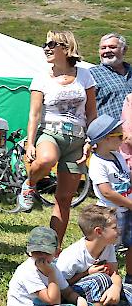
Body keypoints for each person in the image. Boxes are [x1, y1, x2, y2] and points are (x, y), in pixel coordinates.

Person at [19, 31, 97, 246]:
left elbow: (91, 113)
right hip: (51, 132)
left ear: (66, 47)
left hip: (78, 138)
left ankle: (55, 248)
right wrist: (30, 143)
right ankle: (30, 182)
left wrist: (91, 140)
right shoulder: (41, 76)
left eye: (52, 44)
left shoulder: (85, 75)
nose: (46, 48)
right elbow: (34, 114)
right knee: (46, 160)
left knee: (64, 199)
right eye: (45, 44)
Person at [7, 226, 98, 306]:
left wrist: (80, 301)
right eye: (37, 252)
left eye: (46, 253)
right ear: (29, 251)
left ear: (56, 253)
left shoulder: (53, 268)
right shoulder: (28, 270)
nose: (42, 257)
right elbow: (53, 301)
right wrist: (50, 274)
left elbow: (67, 292)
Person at [56, 205, 132, 306]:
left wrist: (116, 287)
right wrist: (86, 273)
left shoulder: (107, 246)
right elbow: (58, 286)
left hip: (99, 294)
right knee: (100, 279)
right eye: (114, 228)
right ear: (98, 231)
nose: (118, 231)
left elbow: (114, 273)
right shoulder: (73, 255)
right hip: (71, 299)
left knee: (129, 288)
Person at [85, 115, 132, 283]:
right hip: (111, 214)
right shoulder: (97, 163)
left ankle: (130, 279)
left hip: (127, 210)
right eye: (120, 136)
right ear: (105, 139)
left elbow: (126, 178)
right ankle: (106, 278)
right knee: (108, 248)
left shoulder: (117, 156)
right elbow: (107, 192)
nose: (124, 138)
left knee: (130, 243)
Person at [89, 33, 131, 120]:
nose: (107, 51)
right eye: (103, 48)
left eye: (112, 47)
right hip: (111, 131)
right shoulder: (91, 74)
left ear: (124, 50)